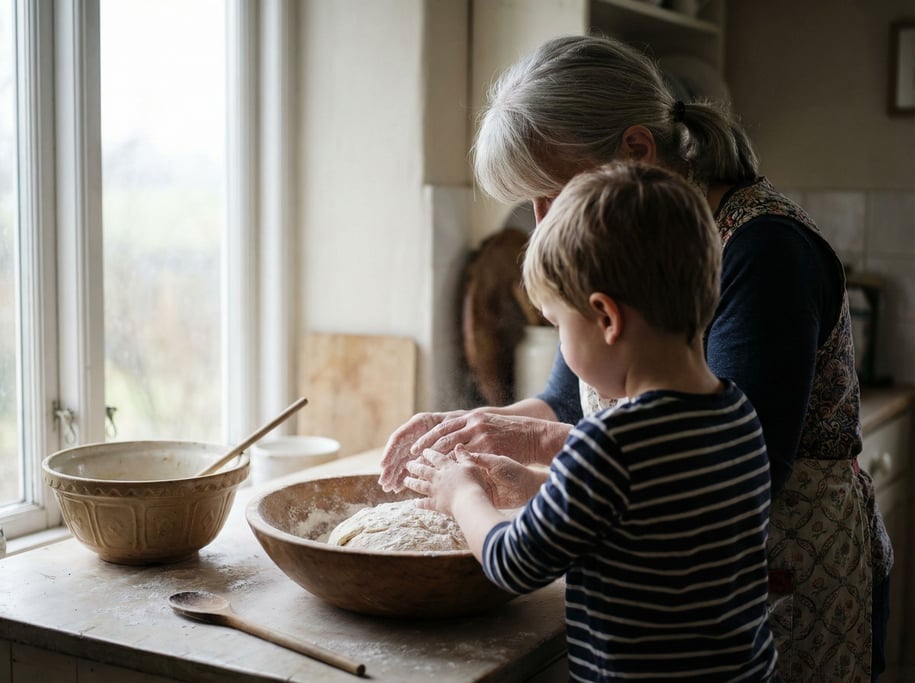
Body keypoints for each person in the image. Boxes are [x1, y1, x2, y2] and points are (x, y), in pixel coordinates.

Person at [380, 34, 891, 683]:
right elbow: (576, 402)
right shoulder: (627, 263)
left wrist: (489, 492)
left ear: (635, 152)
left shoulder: (764, 252)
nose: (541, 222)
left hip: (790, 587)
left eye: (550, 191)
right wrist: (493, 427)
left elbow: (721, 473)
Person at [404, 161, 777, 682]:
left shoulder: (608, 442)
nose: (559, 342)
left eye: (558, 324)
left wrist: (461, 493)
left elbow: (515, 563)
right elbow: (648, 515)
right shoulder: (735, 414)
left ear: (606, 318)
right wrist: (537, 484)